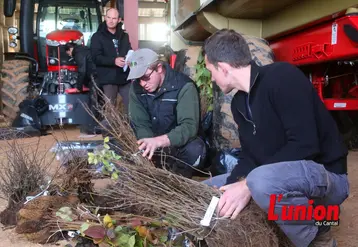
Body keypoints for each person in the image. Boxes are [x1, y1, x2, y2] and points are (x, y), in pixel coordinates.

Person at [202, 29, 349, 247]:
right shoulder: (239, 104)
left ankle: (318, 239)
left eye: (210, 70)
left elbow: (305, 145)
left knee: (258, 181)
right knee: (207, 188)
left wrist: (246, 187)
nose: (212, 77)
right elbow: (250, 158)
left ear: (223, 68)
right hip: (279, 179)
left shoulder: (282, 77)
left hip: (327, 178)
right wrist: (233, 185)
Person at [127, 48, 207, 178]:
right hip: (153, 145)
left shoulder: (184, 87)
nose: (142, 84)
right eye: (138, 79)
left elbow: (189, 127)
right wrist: (148, 148)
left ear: (159, 68)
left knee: (196, 149)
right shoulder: (136, 88)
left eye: (146, 77)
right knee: (115, 140)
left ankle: (178, 178)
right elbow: (140, 124)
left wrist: (159, 142)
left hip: (176, 146)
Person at [90, 8, 132, 112]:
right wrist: (114, 61)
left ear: (119, 20)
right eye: (108, 17)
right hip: (108, 78)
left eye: (114, 18)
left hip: (124, 77)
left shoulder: (124, 36)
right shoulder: (97, 36)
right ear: (105, 18)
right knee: (110, 111)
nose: (111, 20)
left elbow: (129, 51)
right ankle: (106, 128)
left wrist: (130, 59)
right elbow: (95, 58)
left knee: (132, 107)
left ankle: (130, 128)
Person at [65, 43, 99, 135]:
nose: (70, 55)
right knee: (98, 101)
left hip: (95, 77)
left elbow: (82, 71)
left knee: (94, 102)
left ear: (70, 49)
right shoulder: (85, 49)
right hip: (99, 76)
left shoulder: (78, 53)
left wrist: (79, 87)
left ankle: (93, 127)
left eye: (68, 53)